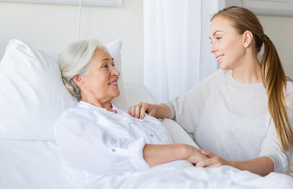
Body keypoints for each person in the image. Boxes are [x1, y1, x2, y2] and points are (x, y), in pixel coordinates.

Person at [129, 6, 293, 176]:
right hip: (208, 178)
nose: (212, 48)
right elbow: (178, 109)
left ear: (246, 38)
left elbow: (276, 158)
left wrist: (228, 166)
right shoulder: (218, 79)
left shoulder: (284, 91)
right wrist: (152, 108)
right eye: (211, 41)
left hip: (251, 181)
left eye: (218, 38)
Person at [55, 40, 207, 187]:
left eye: (113, 65)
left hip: (197, 177)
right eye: (105, 66)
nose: (116, 72)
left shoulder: (137, 116)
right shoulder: (73, 121)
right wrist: (185, 151)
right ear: (80, 80)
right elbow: (110, 158)